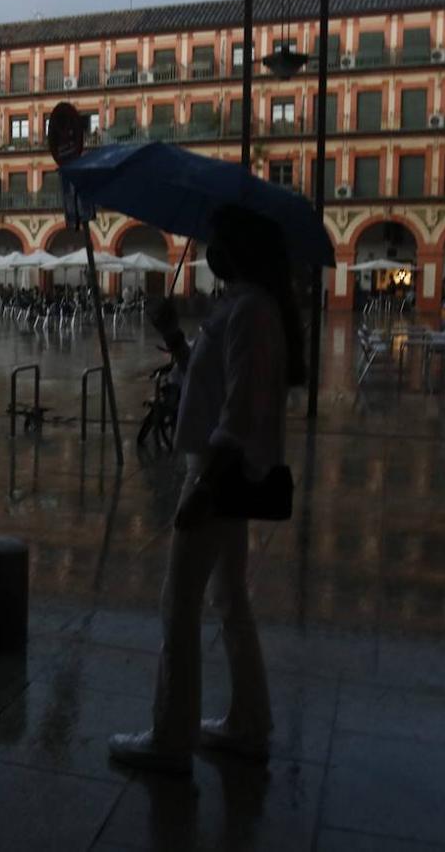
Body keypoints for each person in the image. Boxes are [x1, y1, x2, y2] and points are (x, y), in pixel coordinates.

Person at [110, 205, 305, 774]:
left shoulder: (250, 311)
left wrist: (204, 486)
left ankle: (171, 737)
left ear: (237, 249)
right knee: (227, 599)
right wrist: (173, 336)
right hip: (223, 470)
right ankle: (249, 720)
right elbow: (209, 377)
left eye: (218, 240)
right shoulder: (245, 306)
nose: (208, 248)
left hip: (219, 473)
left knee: (180, 602)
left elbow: (239, 410)